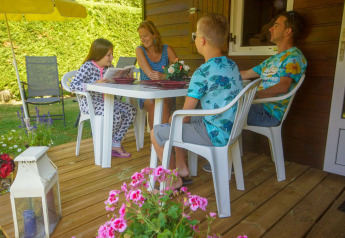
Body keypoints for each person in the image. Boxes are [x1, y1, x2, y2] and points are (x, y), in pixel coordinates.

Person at [204, 11, 307, 172]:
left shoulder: (294, 57)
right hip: (257, 107)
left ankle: (224, 162)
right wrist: (218, 73)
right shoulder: (274, 59)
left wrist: (253, 95)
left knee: (224, 111)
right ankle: (227, 158)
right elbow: (245, 74)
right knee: (224, 107)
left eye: (276, 25)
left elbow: (283, 87)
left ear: (288, 31)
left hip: (269, 113)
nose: (271, 29)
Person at [151, 13, 243, 189]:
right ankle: (182, 168)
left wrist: (171, 120)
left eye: (194, 36)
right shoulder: (232, 65)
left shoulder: (202, 72)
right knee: (176, 120)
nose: (194, 40)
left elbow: (183, 117)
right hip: (231, 127)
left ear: (201, 41)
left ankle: (173, 180)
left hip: (214, 133)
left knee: (157, 132)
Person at [70, 38, 137, 158]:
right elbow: (73, 85)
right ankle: (104, 141)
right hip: (91, 103)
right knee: (115, 114)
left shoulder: (108, 68)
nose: (111, 58)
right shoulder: (87, 67)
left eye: (112, 54)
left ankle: (115, 142)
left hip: (108, 101)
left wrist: (126, 77)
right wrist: (94, 84)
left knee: (131, 110)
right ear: (99, 55)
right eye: (108, 55)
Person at [136, 20, 178, 130]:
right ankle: (155, 143)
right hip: (147, 93)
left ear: (154, 34)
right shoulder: (140, 50)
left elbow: (179, 72)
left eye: (145, 35)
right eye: (140, 37)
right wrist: (166, 76)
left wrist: (163, 76)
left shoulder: (167, 49)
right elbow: (151, 75)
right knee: (156, 105)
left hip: (165, 91)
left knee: (163, 103)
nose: (142, 39)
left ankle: (160, 143)